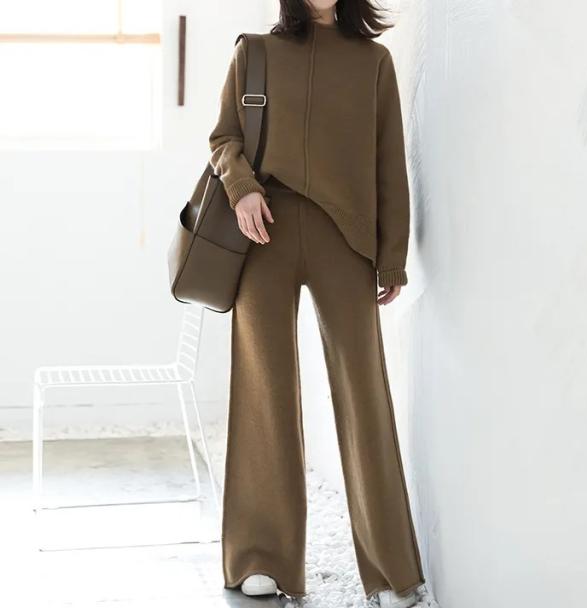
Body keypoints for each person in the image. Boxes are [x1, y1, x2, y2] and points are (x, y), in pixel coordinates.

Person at [208, 1, 424, 606]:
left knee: (364, 392)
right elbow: (224, 138)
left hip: (346, 241)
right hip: (263, 236)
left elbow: (390, 162)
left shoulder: (373, 61)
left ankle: (390, 571)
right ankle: (261, 558)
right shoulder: (255, 52)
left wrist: (392, 255)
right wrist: (242, 190)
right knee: (264, 392)